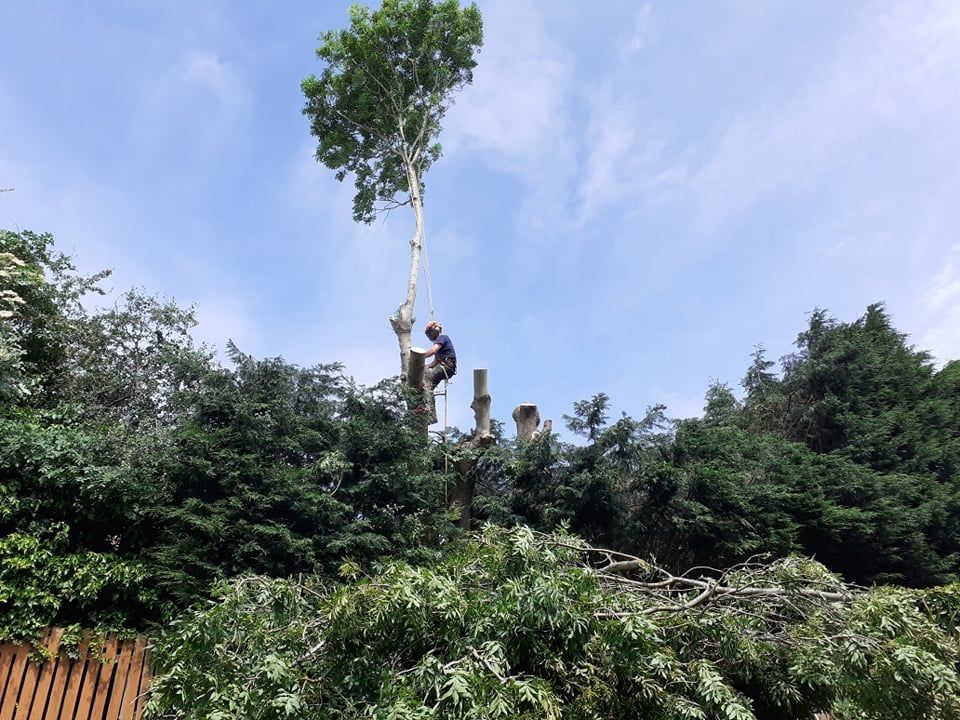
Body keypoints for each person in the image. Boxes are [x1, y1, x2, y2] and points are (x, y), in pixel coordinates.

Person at [422, 320, 456, 423]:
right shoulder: (438, 343)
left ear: (436, 330)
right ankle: (423, 407)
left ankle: (431, 414)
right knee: (427, 387)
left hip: (446, 366)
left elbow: (432, 351)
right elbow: (434, 363)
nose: (429, 336)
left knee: (426, 382)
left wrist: (418, 357)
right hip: (442, 365)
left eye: (429, 333)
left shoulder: (442, 338)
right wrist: (425, 366)